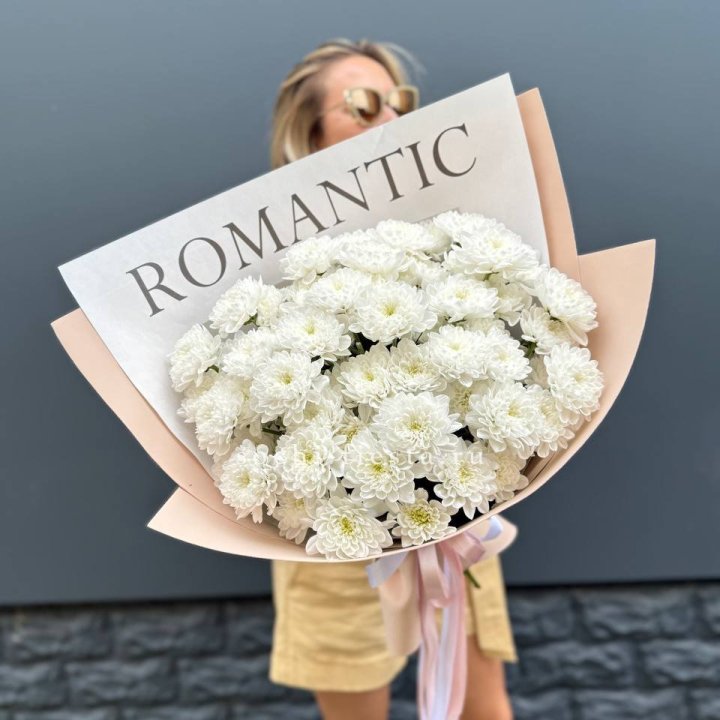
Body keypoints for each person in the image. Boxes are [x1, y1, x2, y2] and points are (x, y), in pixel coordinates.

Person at [266, 38, 517, 720]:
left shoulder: (449, 233)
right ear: (309, 134)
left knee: (486, 710)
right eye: (363, 104)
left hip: (454, 520)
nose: (389, 118)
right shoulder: (269, 259)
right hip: (333, 538)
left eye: (399, 102)